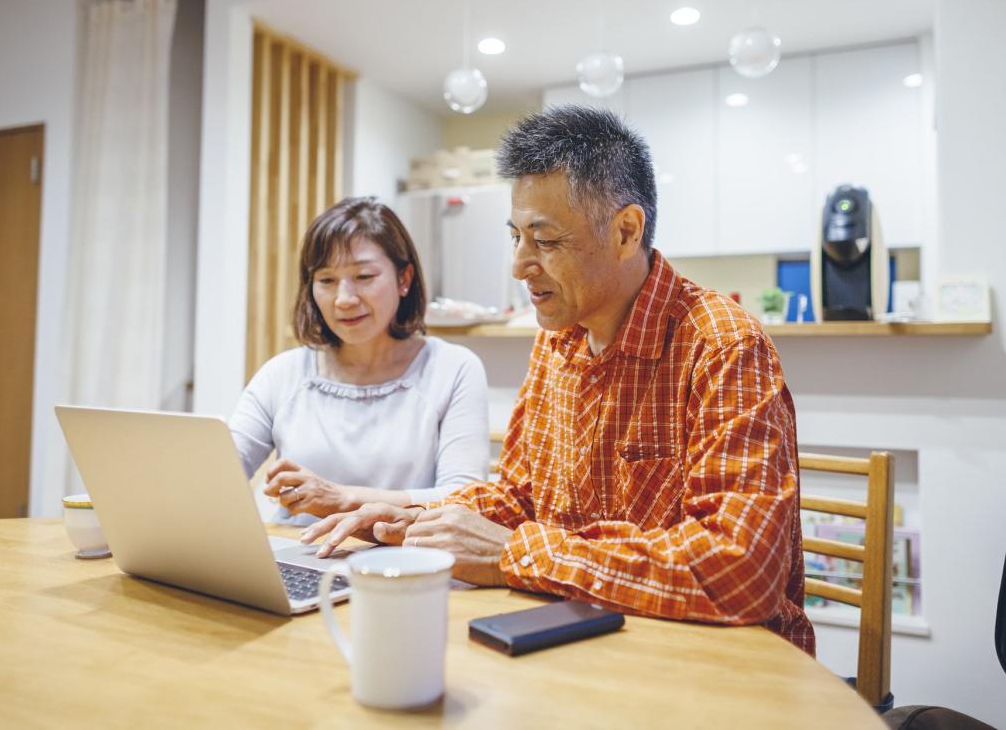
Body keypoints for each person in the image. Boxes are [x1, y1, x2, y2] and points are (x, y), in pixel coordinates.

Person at [302, 107, 814, 654]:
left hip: (726, 663)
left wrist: (514, 554)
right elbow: (520, 495)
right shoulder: (558, 339)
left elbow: (737, 571)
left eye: (544, 242)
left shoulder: (721, 346)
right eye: (516, 238)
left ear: (625, 231)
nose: (520, 266)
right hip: (597, 643)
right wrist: (420, 519)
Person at [229, 196, 490, 526]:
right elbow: (219, 476)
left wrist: (343, 499)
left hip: (405, 565)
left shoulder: (452, 368)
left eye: (364, 277)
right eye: (326, 280)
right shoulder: (283, 374)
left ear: (404, 279)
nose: (344, 299)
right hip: (299, 558)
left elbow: (464, 500)